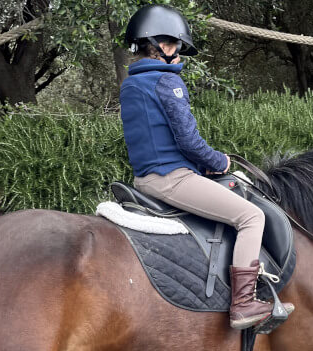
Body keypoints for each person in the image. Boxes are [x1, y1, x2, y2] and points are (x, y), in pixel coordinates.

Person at [119, 4, 294, 330]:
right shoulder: (166, 82)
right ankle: (243, 304)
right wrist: (219, 161)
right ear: (162, 44)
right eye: (175, 45)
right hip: (172, 179)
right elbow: (188, 141)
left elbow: (157, 138)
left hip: (145, 177)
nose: (178, 52)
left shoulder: (132, 84)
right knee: (251, 216)